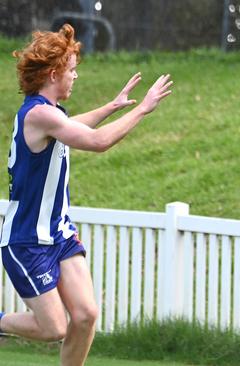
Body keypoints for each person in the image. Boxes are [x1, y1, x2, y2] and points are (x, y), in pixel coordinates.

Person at [0, 24, 172, 365]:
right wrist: (142, 109)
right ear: (53, 74)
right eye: (72, 71)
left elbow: (73, 125)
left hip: (59, 233)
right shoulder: (38, 114)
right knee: (54, 327)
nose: (76, 77)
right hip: (26, 239)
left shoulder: (49, 115)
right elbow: (97, 142)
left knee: (86, 314)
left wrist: (114, 106)